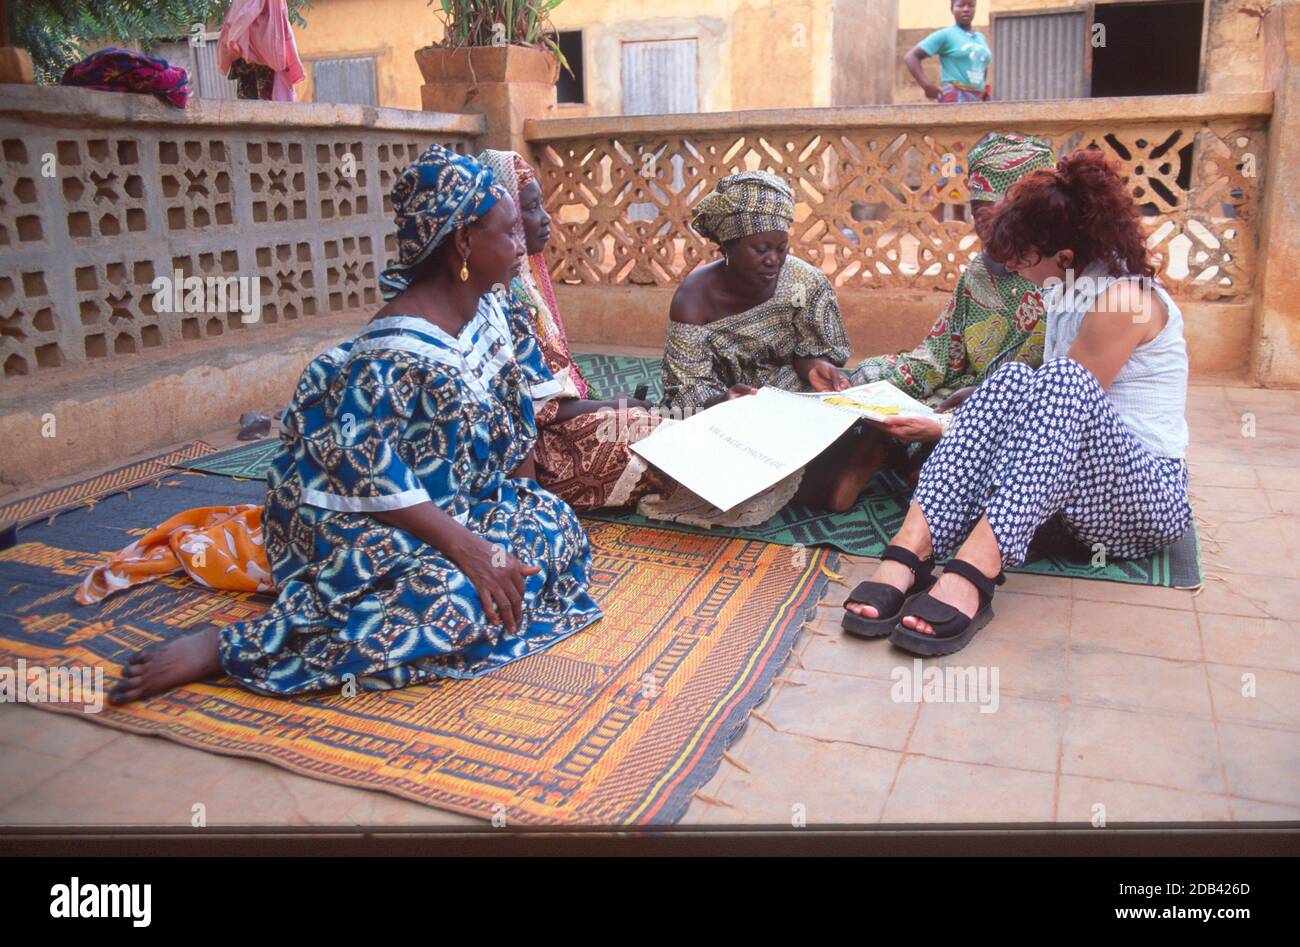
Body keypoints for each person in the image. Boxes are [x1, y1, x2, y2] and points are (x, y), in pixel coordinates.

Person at [107, 145, 602, 703]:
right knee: (455, 604)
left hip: (459, 508)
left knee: (553, 525)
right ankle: (229, 646)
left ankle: (484, 563)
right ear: (463, 243)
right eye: (509, 232)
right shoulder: (392, 353)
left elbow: (516, 421)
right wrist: (469, 550)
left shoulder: (493, 307)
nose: (522, 246)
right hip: (366, 527)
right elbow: (363, 476)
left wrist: (518, 505)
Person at [841, 148, 1191, 655]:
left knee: (1062, 381)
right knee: (1008, 378)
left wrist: (943, 429)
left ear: (1065, 258)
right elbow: (1033, 417)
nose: (1011, 267)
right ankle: (909, 552)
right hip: (1073, 492)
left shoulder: (1122, 303)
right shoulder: (1069, 286)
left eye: (1022, 257)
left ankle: (973, 574)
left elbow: (1058, 416)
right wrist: (957, 421)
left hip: (1145, 502)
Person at [826, 133, 1057, 500]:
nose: (985, 229)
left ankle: (917, 467)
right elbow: (939, 352)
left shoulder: (1065, 279)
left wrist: (977, 401)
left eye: (996, 215)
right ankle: (884, 446)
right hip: (957, 391)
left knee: (977, 439)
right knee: (871, 374)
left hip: (1017, 410)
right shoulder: (979, 273)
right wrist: (876, 386)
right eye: (978, 212)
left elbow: (1059, 390)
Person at [650, 170, 873, 522]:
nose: (774, 260)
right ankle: (831, 476)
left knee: (866, 382)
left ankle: (836, 465)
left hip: (790, 396)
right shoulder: (694, 299)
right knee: (676, 435)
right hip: (729, 410)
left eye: (782, 248)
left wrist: (816, 368)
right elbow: (684, 387)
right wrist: (723, 402)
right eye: (761, 249)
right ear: (728, 246)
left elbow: (813, 352)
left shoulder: (805, 281)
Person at [478, 149, 672, 511]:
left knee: (653, 425)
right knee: (656, 435)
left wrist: (609, 409)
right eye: (531, 208)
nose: (545, 219)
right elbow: (538, 409)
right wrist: (613, 406)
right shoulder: (500, 297)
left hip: (551, 429)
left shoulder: (524, 283)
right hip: (541, 454)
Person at [906, 0, 992, 103]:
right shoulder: (946, 35)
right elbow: (911, 56)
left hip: (979, 98)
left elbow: (982, 64)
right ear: (952, 9)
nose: (966, 9)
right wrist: (926, 85)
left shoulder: (980, 38)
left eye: (971, 6)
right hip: (955, 98)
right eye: (960, 5)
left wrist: (981, 86)